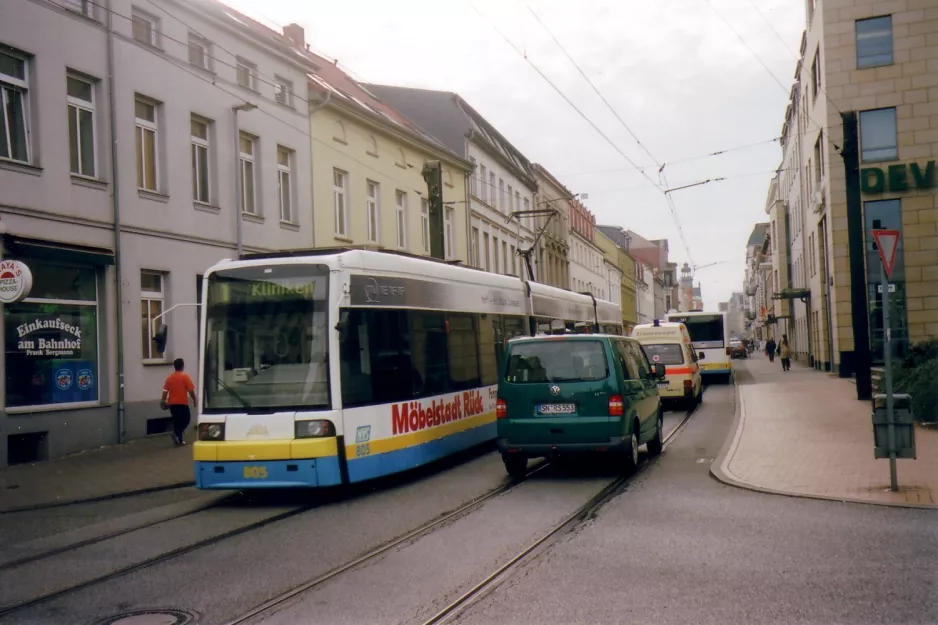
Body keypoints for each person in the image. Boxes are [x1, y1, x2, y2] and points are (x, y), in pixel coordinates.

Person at [161, 358, 197, 446]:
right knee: (186, 420)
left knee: (177, 422)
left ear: (174, 366)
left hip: (172, 404)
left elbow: (165, 391)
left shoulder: (169, 378)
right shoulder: (185, 377)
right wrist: (194, 399)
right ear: (182, 366)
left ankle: (179, 441)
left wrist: (163, 401)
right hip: (182, 403)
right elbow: (190, 390)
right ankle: (176, 434)